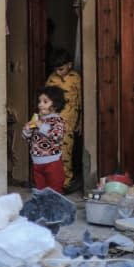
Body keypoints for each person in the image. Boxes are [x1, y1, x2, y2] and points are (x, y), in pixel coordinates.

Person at [45, 48, 82, 193]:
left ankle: (65, 183)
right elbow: (45, 100)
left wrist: (81, 121)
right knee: (52, 151)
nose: (59, 72)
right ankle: (53, 182)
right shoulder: (51, 79)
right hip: (53, 121)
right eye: (56, 70)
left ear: (69, 65)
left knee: (66, 152)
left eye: (61, 69)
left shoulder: (76, 79)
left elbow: (80, 100)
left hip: (69, 122)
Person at [22, 86, 67, 193]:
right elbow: (28, 138)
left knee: (54, 192)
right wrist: (27, 130)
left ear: (55, 105)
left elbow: (57, 136)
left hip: (52, 162)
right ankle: (43, 209)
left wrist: (41, 125)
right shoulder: (38, 119)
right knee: (41, 191)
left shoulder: (57, 120)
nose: (40, 104)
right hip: (37, 163)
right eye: (40, 101)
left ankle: (55, 210)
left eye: (45, 101)